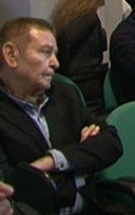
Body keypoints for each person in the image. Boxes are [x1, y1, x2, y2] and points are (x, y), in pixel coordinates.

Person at [0, 18, 122, 213]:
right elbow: (15, 188)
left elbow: (111, 143)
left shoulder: (65, 93)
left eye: (55, 54)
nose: (56, 63)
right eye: (45, 52)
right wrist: (81, 166)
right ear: (11, 55)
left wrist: (52, 161)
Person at [51, 0, 107, 107]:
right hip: (86, 83)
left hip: (73, 79)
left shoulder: (70, 15)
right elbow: (65, 44)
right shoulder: (88, 19)